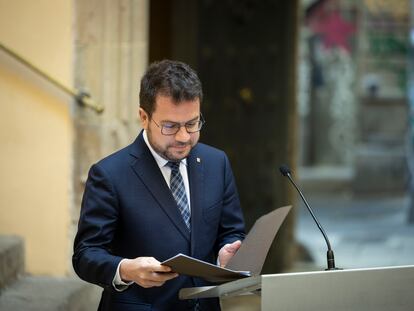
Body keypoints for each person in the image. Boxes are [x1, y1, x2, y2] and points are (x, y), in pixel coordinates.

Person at [72, 60, 245, 311]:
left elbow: (232, 231)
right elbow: (85, 255)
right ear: (144, 117)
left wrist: (227, 254)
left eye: (192, 123)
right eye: (170, 126)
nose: (184, 137)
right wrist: (125, 270)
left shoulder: (217, 162)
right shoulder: (108, 174)